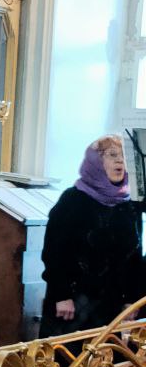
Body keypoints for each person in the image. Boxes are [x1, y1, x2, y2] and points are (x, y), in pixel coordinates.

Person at [40, 135, 145, 337]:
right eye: (112, 155)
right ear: (95, 162)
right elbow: (54, 252)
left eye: (124, 156)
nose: (120, 161)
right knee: (68, 355)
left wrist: (132, 300)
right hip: (72, 302)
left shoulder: (129, 203)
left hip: (111, 304)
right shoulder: (73, 199)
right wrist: (62, 295)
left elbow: (135, 255)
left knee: (106, 355)